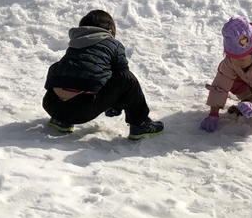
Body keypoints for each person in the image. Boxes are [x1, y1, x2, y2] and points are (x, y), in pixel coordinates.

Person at [43, 10, 164, 140]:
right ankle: (141, 124)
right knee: (127, 78)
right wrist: (115, 104)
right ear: (110, 31)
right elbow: (121, 80)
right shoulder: (113, 44)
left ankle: (61, 121)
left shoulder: (74, 44)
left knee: (72, 73)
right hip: (81, 111)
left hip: (52, 105)